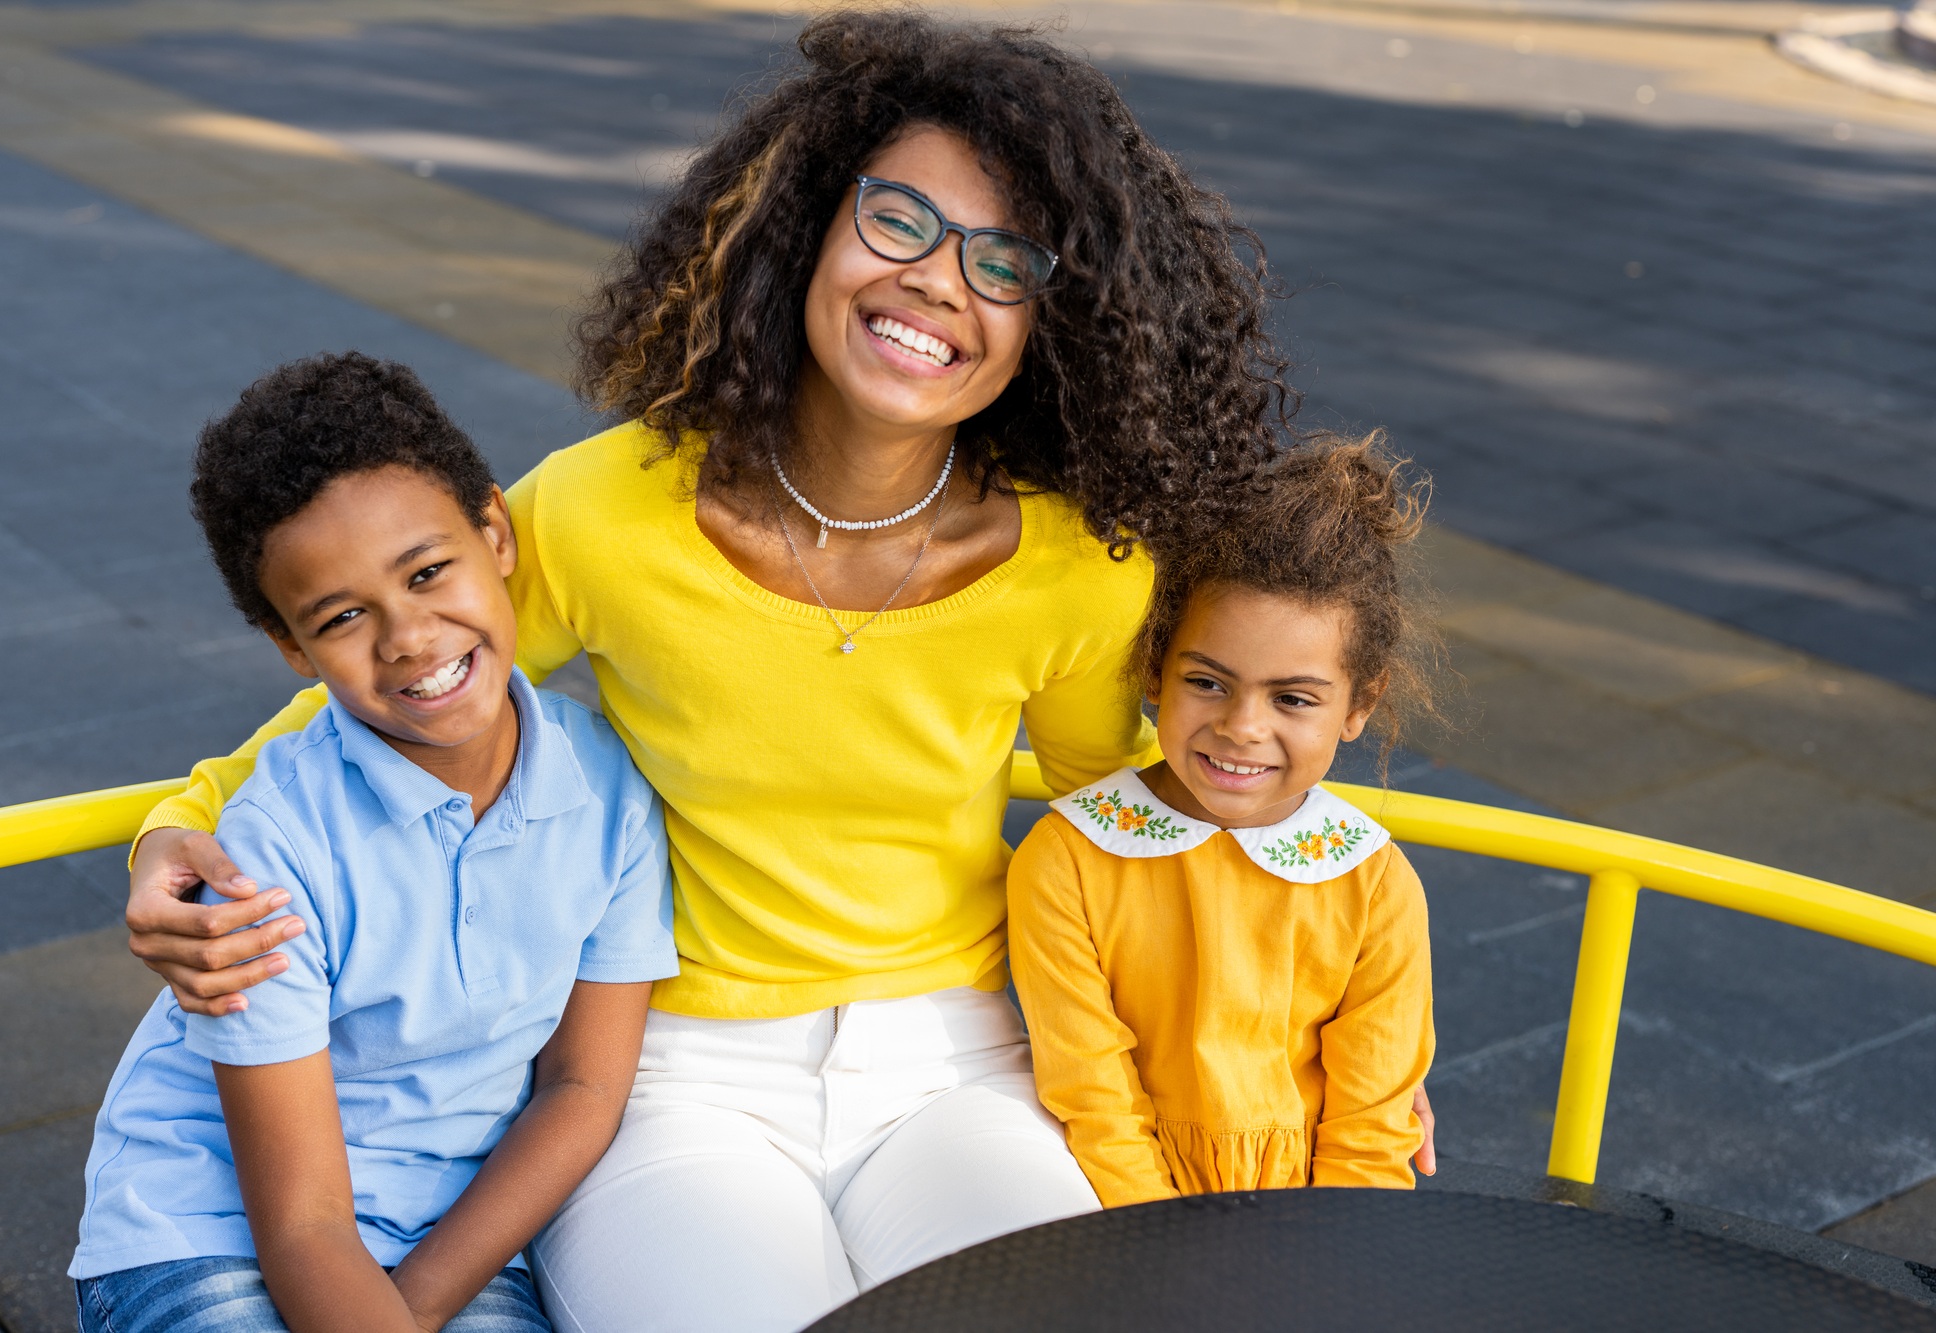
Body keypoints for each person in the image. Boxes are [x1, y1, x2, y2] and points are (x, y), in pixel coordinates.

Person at [114, 14, 1426, 1331]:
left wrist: (1314, 1050)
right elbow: (380, 681)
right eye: (898, 218)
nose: (934, 280)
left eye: (1002, 259)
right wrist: (177, 826)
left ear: (1052, 315)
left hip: (963, 1062)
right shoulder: (606, 511)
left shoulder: (1082, 564)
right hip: (675, 1076)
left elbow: (1165, 837)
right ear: (809, 226)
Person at [69, 354, 678, 1333]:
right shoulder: (270, 851)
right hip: (206, 1234)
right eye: (343, 617)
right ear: (291, 650)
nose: (408, 636)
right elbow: (304, 1224)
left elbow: (583, 1085)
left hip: (441, 1240)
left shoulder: (606, 791)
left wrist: (416, 1303)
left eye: (428, 571)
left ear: (496, 533)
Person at [1010, 437, 1439, 1206]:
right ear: (1154, 665)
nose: (1242, 727)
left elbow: (1370, 1123)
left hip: (1314, 1222)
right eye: (1208, 681)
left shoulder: (1375, 884)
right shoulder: (1066, 858)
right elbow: (1094, 1097)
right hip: (1120, 1204)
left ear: (1360, 704)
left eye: (1294, 698)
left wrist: (1338, 1253)